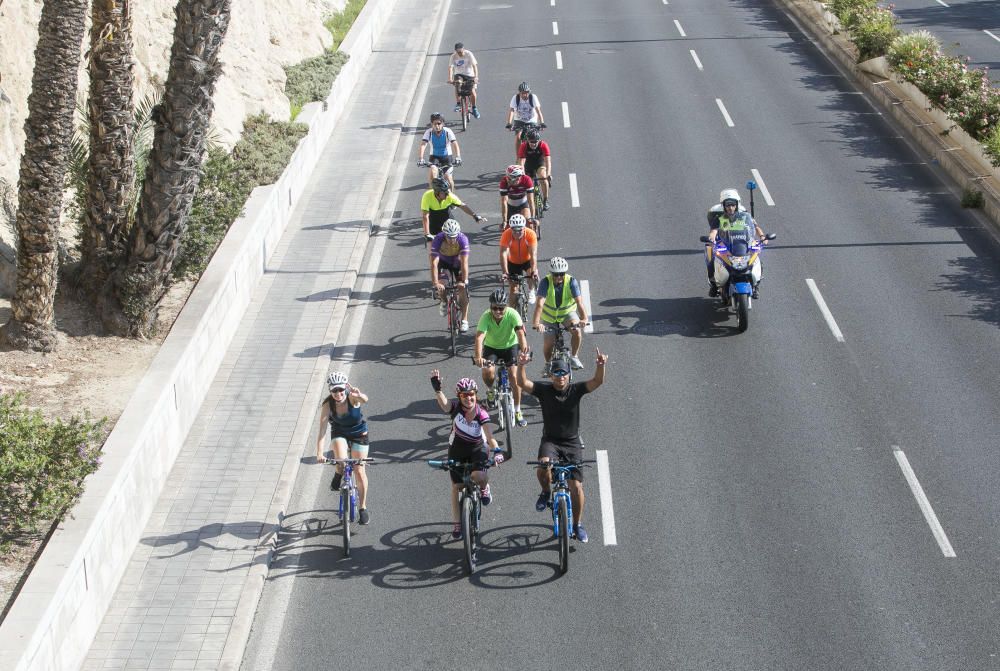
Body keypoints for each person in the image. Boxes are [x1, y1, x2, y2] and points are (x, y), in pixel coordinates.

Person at [516, 348, 609, 543]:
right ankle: (545, 492)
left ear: (569, 375)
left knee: (576, 487)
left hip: (572, 442)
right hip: (550, 441)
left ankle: (577, 524)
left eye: (563, 373)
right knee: (543, 466)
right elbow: (522, 383)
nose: (560, 377)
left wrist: (600, 366)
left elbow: (597, 382)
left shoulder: (576, 390)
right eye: (556, 373)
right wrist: (522, 365)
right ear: (550, 375)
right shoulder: (544, 390)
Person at [430, 372, 503, 539]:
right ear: (459, 396)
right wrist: (437, 390)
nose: (468, 398)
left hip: (478, 449)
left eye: (471, 395)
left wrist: (498, 451)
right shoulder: (455, 409)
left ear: (475, 395)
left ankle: (484, 489)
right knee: (457, 487)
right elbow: (445, 405)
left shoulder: (481, 413)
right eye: (464, 395)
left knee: (478, 475)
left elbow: (490, 437)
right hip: (456, 449)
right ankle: (457, 524)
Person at [316, 371, 372, 525]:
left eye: (341, 389)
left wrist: (359, 395)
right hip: (339, 433)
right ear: (330, 390)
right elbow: (322, 430)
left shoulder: (352, 397)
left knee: (359, 470)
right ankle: (338, 473)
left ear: (345, 388)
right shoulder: (328, 405)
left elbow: (365, 400)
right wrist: (319, 453)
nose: (338, 393)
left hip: (359, 434)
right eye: (334, 390)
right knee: (341, 460)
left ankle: (363, 507)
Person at [474, 288, 530, 427]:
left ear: (506, 307)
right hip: (492, 347)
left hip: (510, 346)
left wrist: (524, 352)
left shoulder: (513, 314)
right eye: (495, 308)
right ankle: (490, 391)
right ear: (490, 307)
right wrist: (478, 357)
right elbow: (480, 338)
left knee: (514, 376)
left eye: (501, 308)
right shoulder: (485, 316)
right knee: (488, 371)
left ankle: (517, 409)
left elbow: (521, 335)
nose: (498, 311)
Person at [705, 188, 768, 298]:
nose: (730, 207)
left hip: (742, 244)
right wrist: (711, 239)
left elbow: (756, 227)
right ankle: (714, 286)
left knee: (756, 259)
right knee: (711, 260)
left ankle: (756, 285)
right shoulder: (719, 219)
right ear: (724, 206)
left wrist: (762, 237)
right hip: (724, 244)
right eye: (728, 205)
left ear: (737, 205)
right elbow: (713, 231)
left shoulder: (744, 216)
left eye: (733, 204)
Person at [532, 257, 588, 373]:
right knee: (548, 343)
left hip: (567, 314)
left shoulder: (571, 281)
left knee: (576, 331)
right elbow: (539, 304)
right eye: (556, 275)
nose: (559, 277)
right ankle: (548, 364)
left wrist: (584, 318)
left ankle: (574, 357)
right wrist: (536, 323)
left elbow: (579, 302)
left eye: (561, 274)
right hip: (549, 317)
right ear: (551, 273)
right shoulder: (545, 282)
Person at [430, 218, 471, 332]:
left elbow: (464, 262)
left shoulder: (463, 239)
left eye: (454, 237)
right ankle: (443, 301)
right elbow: (434, 263)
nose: (452, 239)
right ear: (444, 234)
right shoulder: (438, 239)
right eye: (449, 237)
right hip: (444, 262)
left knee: (462, 289)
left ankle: (464, 320)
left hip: (458, 263)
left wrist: (465, 281)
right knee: (442, 286)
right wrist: (435, 283)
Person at [420, 177, 484, 240]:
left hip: (446, 217)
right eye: (444, 193)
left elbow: (462, 205)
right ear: (437, 192)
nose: (447, 194)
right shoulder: (427, 196)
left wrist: (475, 216)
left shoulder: (450, 196)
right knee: (431, 242)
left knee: (455, 238)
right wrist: (427, 234)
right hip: (433, 220)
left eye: (447, 191)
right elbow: (425, 216)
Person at [499, 213, 538, 306]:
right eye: (514, 230)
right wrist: (505, 272)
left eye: (519, 230)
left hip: (527, 260)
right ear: (510, 228)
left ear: (524, 228)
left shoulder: (530, 234)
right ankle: (512, 311)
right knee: (513, 289)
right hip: (513, 262)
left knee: (531, 273)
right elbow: (503, 254)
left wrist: (534, 271)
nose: (517, 233)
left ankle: (531, 291)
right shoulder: (506, 234)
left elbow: (533, 255)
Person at [417, 112, 462, 191]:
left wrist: (458, 157)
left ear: (443, 124)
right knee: (433, 173)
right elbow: (423, 144)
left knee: (448, 178)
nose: (437, 126)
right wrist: (421, 158)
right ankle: (433, 194)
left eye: (439, 123)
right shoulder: (429, 132)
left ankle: (451, 196)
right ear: (431, 124)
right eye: (435, 124)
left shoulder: (448, 131)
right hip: (434, 157)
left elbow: (455, 144)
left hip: (446, 157)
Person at [505, 82, 545, 155]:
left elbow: (538, 111)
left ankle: (538, 153)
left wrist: (542, 123)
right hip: (519, 120)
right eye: (522, 93)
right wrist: (509, 123)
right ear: (519, 93)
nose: (524, 95)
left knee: (533, 136)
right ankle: (518, 156)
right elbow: (511, 111)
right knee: (519, 136)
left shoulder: (533, 97)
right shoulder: (515, 98)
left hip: (531, 119)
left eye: (526, 93)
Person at [517, 129, 551, 210]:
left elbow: (548, 161)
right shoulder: (524, 146)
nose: (533, 143)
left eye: (535, 141)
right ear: (527, 140)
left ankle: (545, 200)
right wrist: (522, 174)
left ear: (539, 140)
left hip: (540, 163)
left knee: (543, 178)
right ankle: (527, 201)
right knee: (526, 183)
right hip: (528, 165)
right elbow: (521, 162)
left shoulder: (543, 145)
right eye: (531, 141)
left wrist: (548, 174)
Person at [448, 42, 479, 119]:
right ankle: (458, 103)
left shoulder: (469, 54)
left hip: (469, 75)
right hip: (459, 74)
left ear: (463, 50)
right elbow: (450, 68)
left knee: (472, 92)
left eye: (461, 52)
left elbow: (474, 66)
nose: (460, 54)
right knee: (457, 84)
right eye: (458, 52)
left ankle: (474, 108)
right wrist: (450, 78)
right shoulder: (453, 56)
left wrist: (476, 77)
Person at [499, 164, 535, 228]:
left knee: (529, 224)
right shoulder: (504, 182)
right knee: (506, 228)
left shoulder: (527, 179)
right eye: (514, 176)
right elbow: (504, 202)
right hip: (510, 205)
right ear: (508, 177)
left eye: (519, 176)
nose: (517, 178)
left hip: (523, 203)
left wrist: (532, 217)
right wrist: (504, 221)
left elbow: (531, 200)